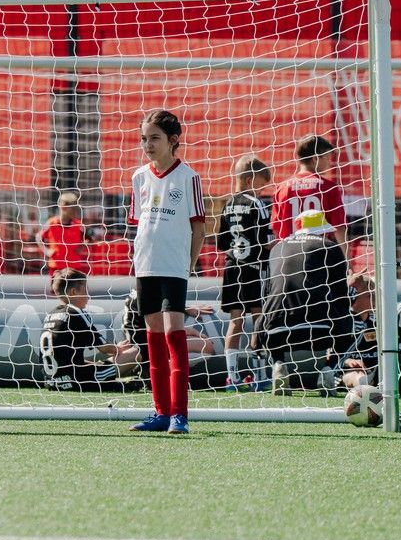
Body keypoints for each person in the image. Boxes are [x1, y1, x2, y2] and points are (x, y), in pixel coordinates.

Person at [126, 108, 206, 434]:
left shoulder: (188, 178)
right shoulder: (139, 177)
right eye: (144, 138)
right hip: (145, 265)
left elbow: (199, 227)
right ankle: (160, 412)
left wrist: (189, 263)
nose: (147, 144)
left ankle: (180, 415)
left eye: (154, 138)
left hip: (174, 267)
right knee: (153, 340)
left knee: (175, 336)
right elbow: (139, 223)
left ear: (173, 140)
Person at [258, 208, 353, 392]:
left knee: (267, 312)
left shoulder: (277, 248)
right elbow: (342, 296)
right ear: (323, 230)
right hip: (320, 331)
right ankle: (329, 369)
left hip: (276, 332)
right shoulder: (330, 247)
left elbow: (267, 292)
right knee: (351, 320)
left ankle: (278, 364)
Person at [215, 153, 273, 388]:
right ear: (250, 180)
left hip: (231, 268)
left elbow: (221, 243)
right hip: (254, 268)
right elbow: (266, 240)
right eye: (262, 183)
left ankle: (233, 376)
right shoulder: (257, 204)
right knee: (259, 318)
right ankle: (260, 376)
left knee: (235, 321)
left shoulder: (228, 204)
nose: (262, 189)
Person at [42, 269, 141, 389]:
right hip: (77, 381)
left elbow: (64, 358)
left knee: (95, 364)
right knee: (137, 352)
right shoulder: (76, 313)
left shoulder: (50, 315)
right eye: (85, 291)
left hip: (52, 382)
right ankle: (138, 378)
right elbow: (104, 348)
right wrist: (118, 348)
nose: (88, 296)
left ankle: (124, 381)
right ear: (73, 292)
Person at [271, 135, 346, 244]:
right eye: (327, 158)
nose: (330, 163)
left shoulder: (282, 188)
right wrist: (346, 259)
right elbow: (338, 228)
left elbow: (276, 229)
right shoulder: (329, 188)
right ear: (315, 159)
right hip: (318, 254)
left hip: (289, 254)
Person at [39, 191, 89, 276]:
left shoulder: (78, 225)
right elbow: (38, 237)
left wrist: (82, 246)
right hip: (56, 268)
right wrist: (47, 251)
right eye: (73, 208)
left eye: (76, 208)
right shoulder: (51, 223)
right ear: (63, 207)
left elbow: (90, 238)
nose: (75, 211)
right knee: (56, 288)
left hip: (74, 268)